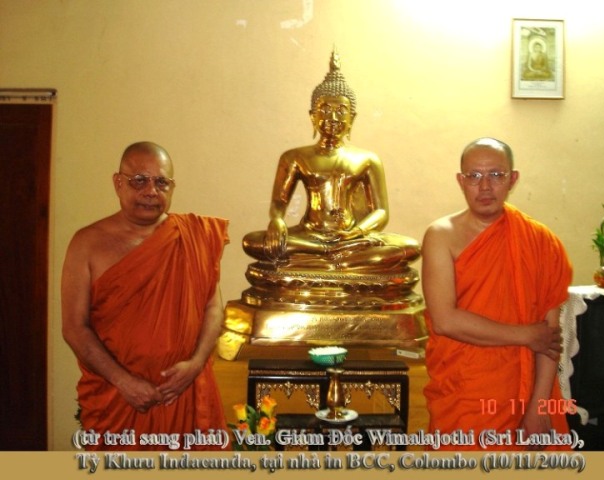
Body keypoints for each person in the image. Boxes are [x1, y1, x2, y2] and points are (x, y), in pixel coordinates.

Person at [62, 141, 229, 451]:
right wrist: (123, 381)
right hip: (118, 399)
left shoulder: (193, 236)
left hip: (186, 394)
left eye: (161, 182)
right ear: (118, 183)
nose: (151, 191)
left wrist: (195, 364)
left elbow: (213, 308)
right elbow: (74, 327)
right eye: (139, 180)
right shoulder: (87, 243)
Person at [421, 137, 572, 451]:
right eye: (474, 176)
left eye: (496, 175)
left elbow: (549, 336)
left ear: (513, 179)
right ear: (461, 181)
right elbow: (445, 321)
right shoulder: (441, 235)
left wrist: (539, 406)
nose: (485, 186)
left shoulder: (540, 241)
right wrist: (525, 335)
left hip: (524, 393)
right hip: (464, 392)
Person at [242, 50, 420, 273]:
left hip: (351, 238)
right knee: (252, 241)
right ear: (312, 116)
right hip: (309, 235)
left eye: (341, 111)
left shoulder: (367, 159)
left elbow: (381, 212)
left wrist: (356, 233)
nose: (333, 118)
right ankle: (330, 255)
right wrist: (277, 221)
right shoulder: (294, 156)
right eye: (325, 110)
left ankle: (326, 257)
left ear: (352, 118)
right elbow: (279, 202)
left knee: (410, 247)